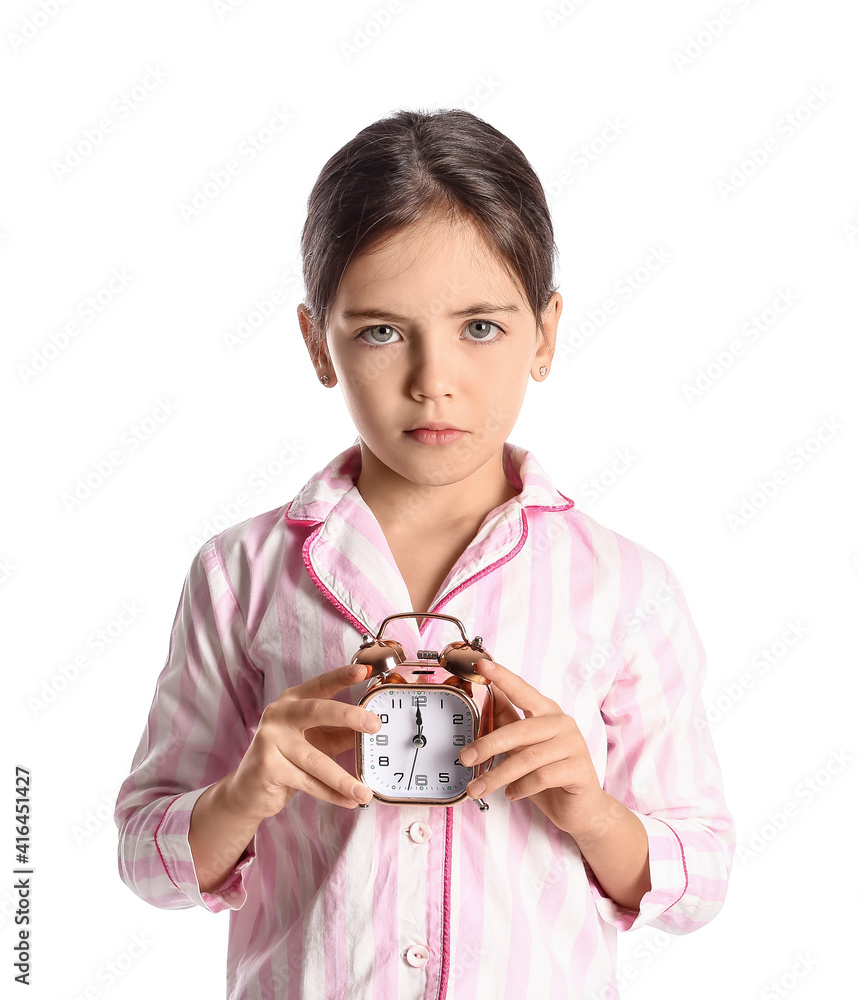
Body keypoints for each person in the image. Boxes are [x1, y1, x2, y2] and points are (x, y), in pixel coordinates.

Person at [114, 107, 734, 999]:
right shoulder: (238, 575)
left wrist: (592, 814)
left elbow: (700, 878)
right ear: (315, 343)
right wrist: (244, 793)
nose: (431, 377)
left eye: (480, 326)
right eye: (379, 330)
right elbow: (144, 854)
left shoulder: (625, 589)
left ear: (545, 333)